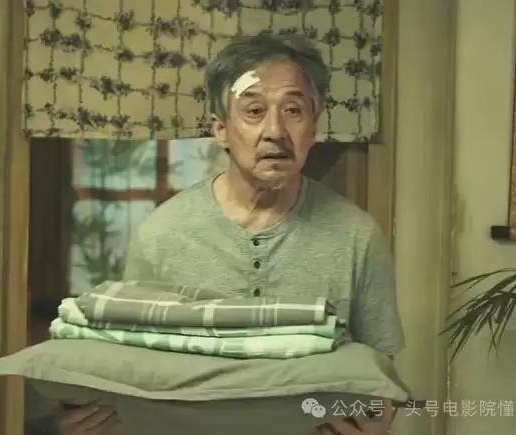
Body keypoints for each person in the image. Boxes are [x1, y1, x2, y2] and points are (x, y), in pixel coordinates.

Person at [59, 31, 405, 435]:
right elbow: (138, 367)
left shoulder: (357, 236)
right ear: (221, 129)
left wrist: (375, 417)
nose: (275, 130)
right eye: (254, 110)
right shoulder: (161, 235)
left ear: (314, 127)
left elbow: (381, 379)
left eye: (293, 110)